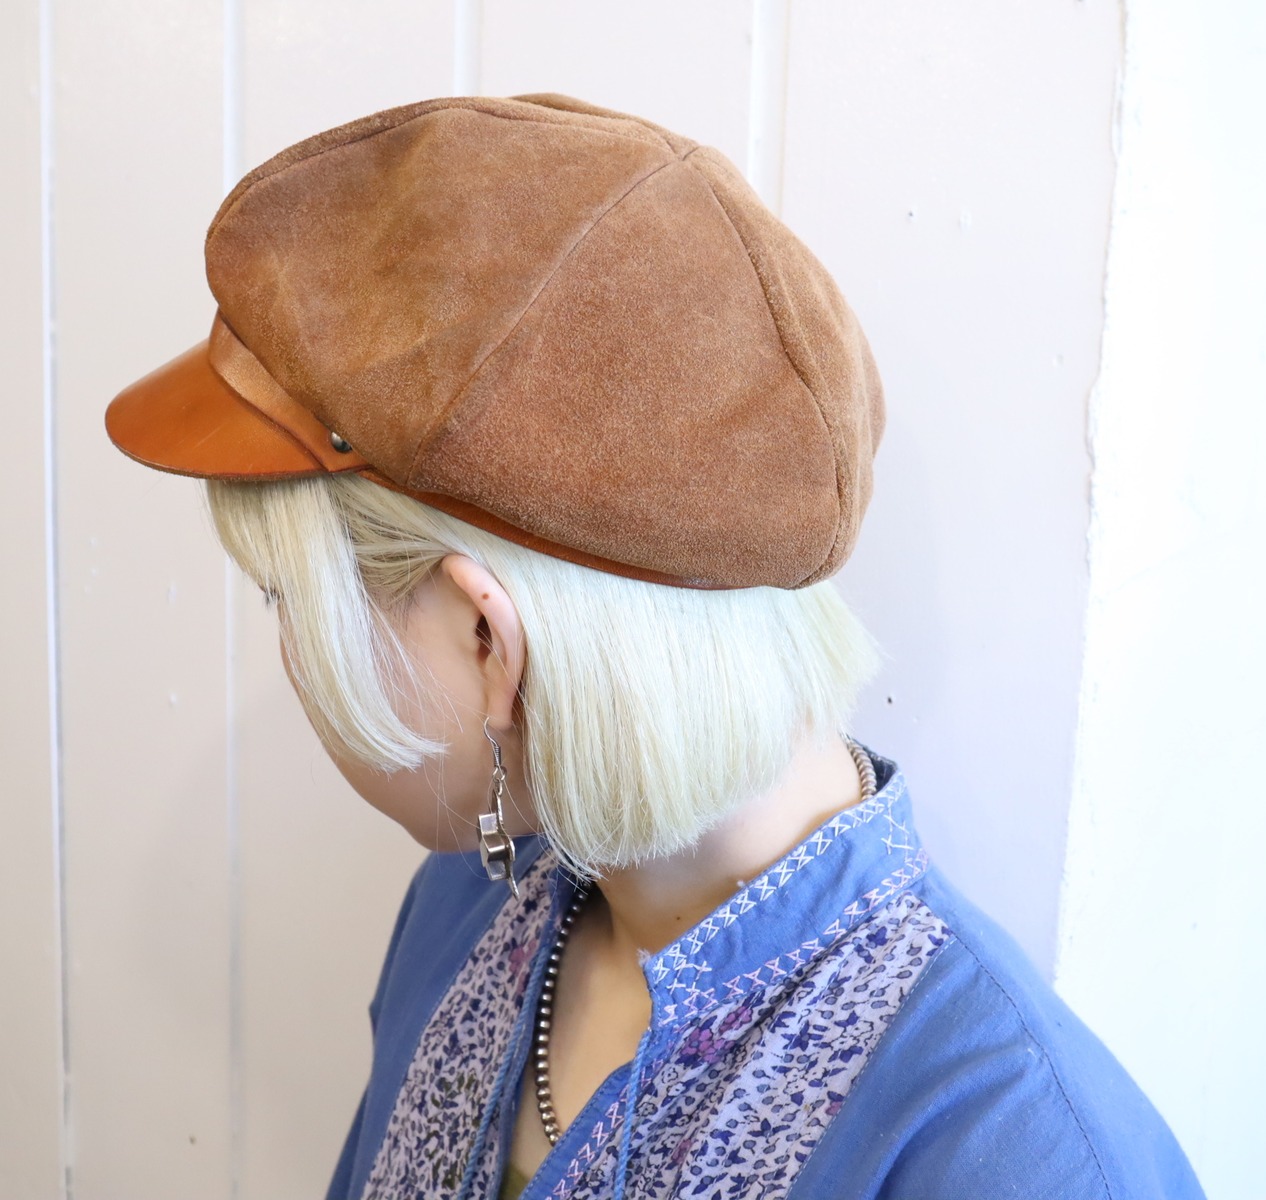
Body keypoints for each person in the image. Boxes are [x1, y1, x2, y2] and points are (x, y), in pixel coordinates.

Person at [105, 93, 1205, 1200]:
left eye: (285, 600)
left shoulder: (1019, 1155)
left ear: (487, 640)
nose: (291, 657)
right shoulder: (466, 910)